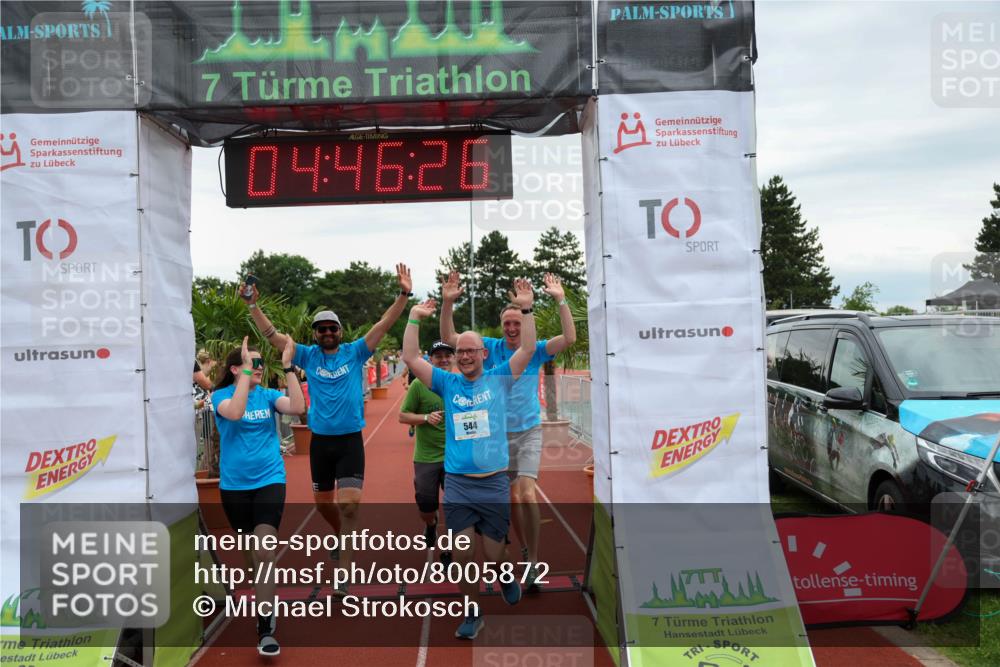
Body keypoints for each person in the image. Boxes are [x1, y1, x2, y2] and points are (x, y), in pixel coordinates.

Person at [241, 264, 413, 592]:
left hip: (349, 441)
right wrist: (252, 305)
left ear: (340, 331)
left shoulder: (356, 351)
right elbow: (272, 336)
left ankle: (344, 576)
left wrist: (403, 294)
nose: (328, 333)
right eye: (322, 330)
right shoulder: (306, 355)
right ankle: (342, 536)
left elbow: (384, 323)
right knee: (323, 504)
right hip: (320, 443)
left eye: (332, 328)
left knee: (349, 504)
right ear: (316, 334)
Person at [403, 278, 536, 640]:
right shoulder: (447, 383)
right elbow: (411, 357)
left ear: (484, 354)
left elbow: (528, 347)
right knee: (462, 557)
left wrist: (526, 310)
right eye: (459, 351)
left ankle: (505, 573)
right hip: (459, 484)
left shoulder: (500, 379)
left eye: (470, 351)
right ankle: (473, 613)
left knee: (493, 556)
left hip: (493, 484)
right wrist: (415, 316)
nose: (463, 356)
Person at [440, 271, 576, 588]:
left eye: (518, 322)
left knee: (526, 493)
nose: (513, 328)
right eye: (508, 324)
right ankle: (519, 548)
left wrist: (560, 299)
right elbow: (450, 337)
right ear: (502, 327)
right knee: (510, 500)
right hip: (495, 435)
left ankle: (532, 561)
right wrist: (448, 304)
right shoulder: (487, 348)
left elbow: (568, 338)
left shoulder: (536, 349)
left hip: (528, 430)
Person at [213, 336, 304, 656]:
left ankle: (265, 626)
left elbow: (297, 407)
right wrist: (245, 378)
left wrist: (289, 367)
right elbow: (235, 413)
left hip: (269, 480)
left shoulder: (268, 396)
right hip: (234, 487)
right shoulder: (220, 396)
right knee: (251, 556)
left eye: (261, 364)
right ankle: (263, 594)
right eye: (252, 364)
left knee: (265, 552)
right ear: (236, 369)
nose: (259, 369)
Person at [398, 340, 455, 559]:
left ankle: (448, 549)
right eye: (438, 356)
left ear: (454, 358)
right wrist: (424, 418)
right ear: (430, 360)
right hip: (426, 457)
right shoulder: (419, 385)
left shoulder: (460, 382)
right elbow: (402, 416)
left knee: (454, 505)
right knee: (426, 507)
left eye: (447, 355)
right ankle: (431, 525)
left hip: (454, 458)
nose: (443, 360)